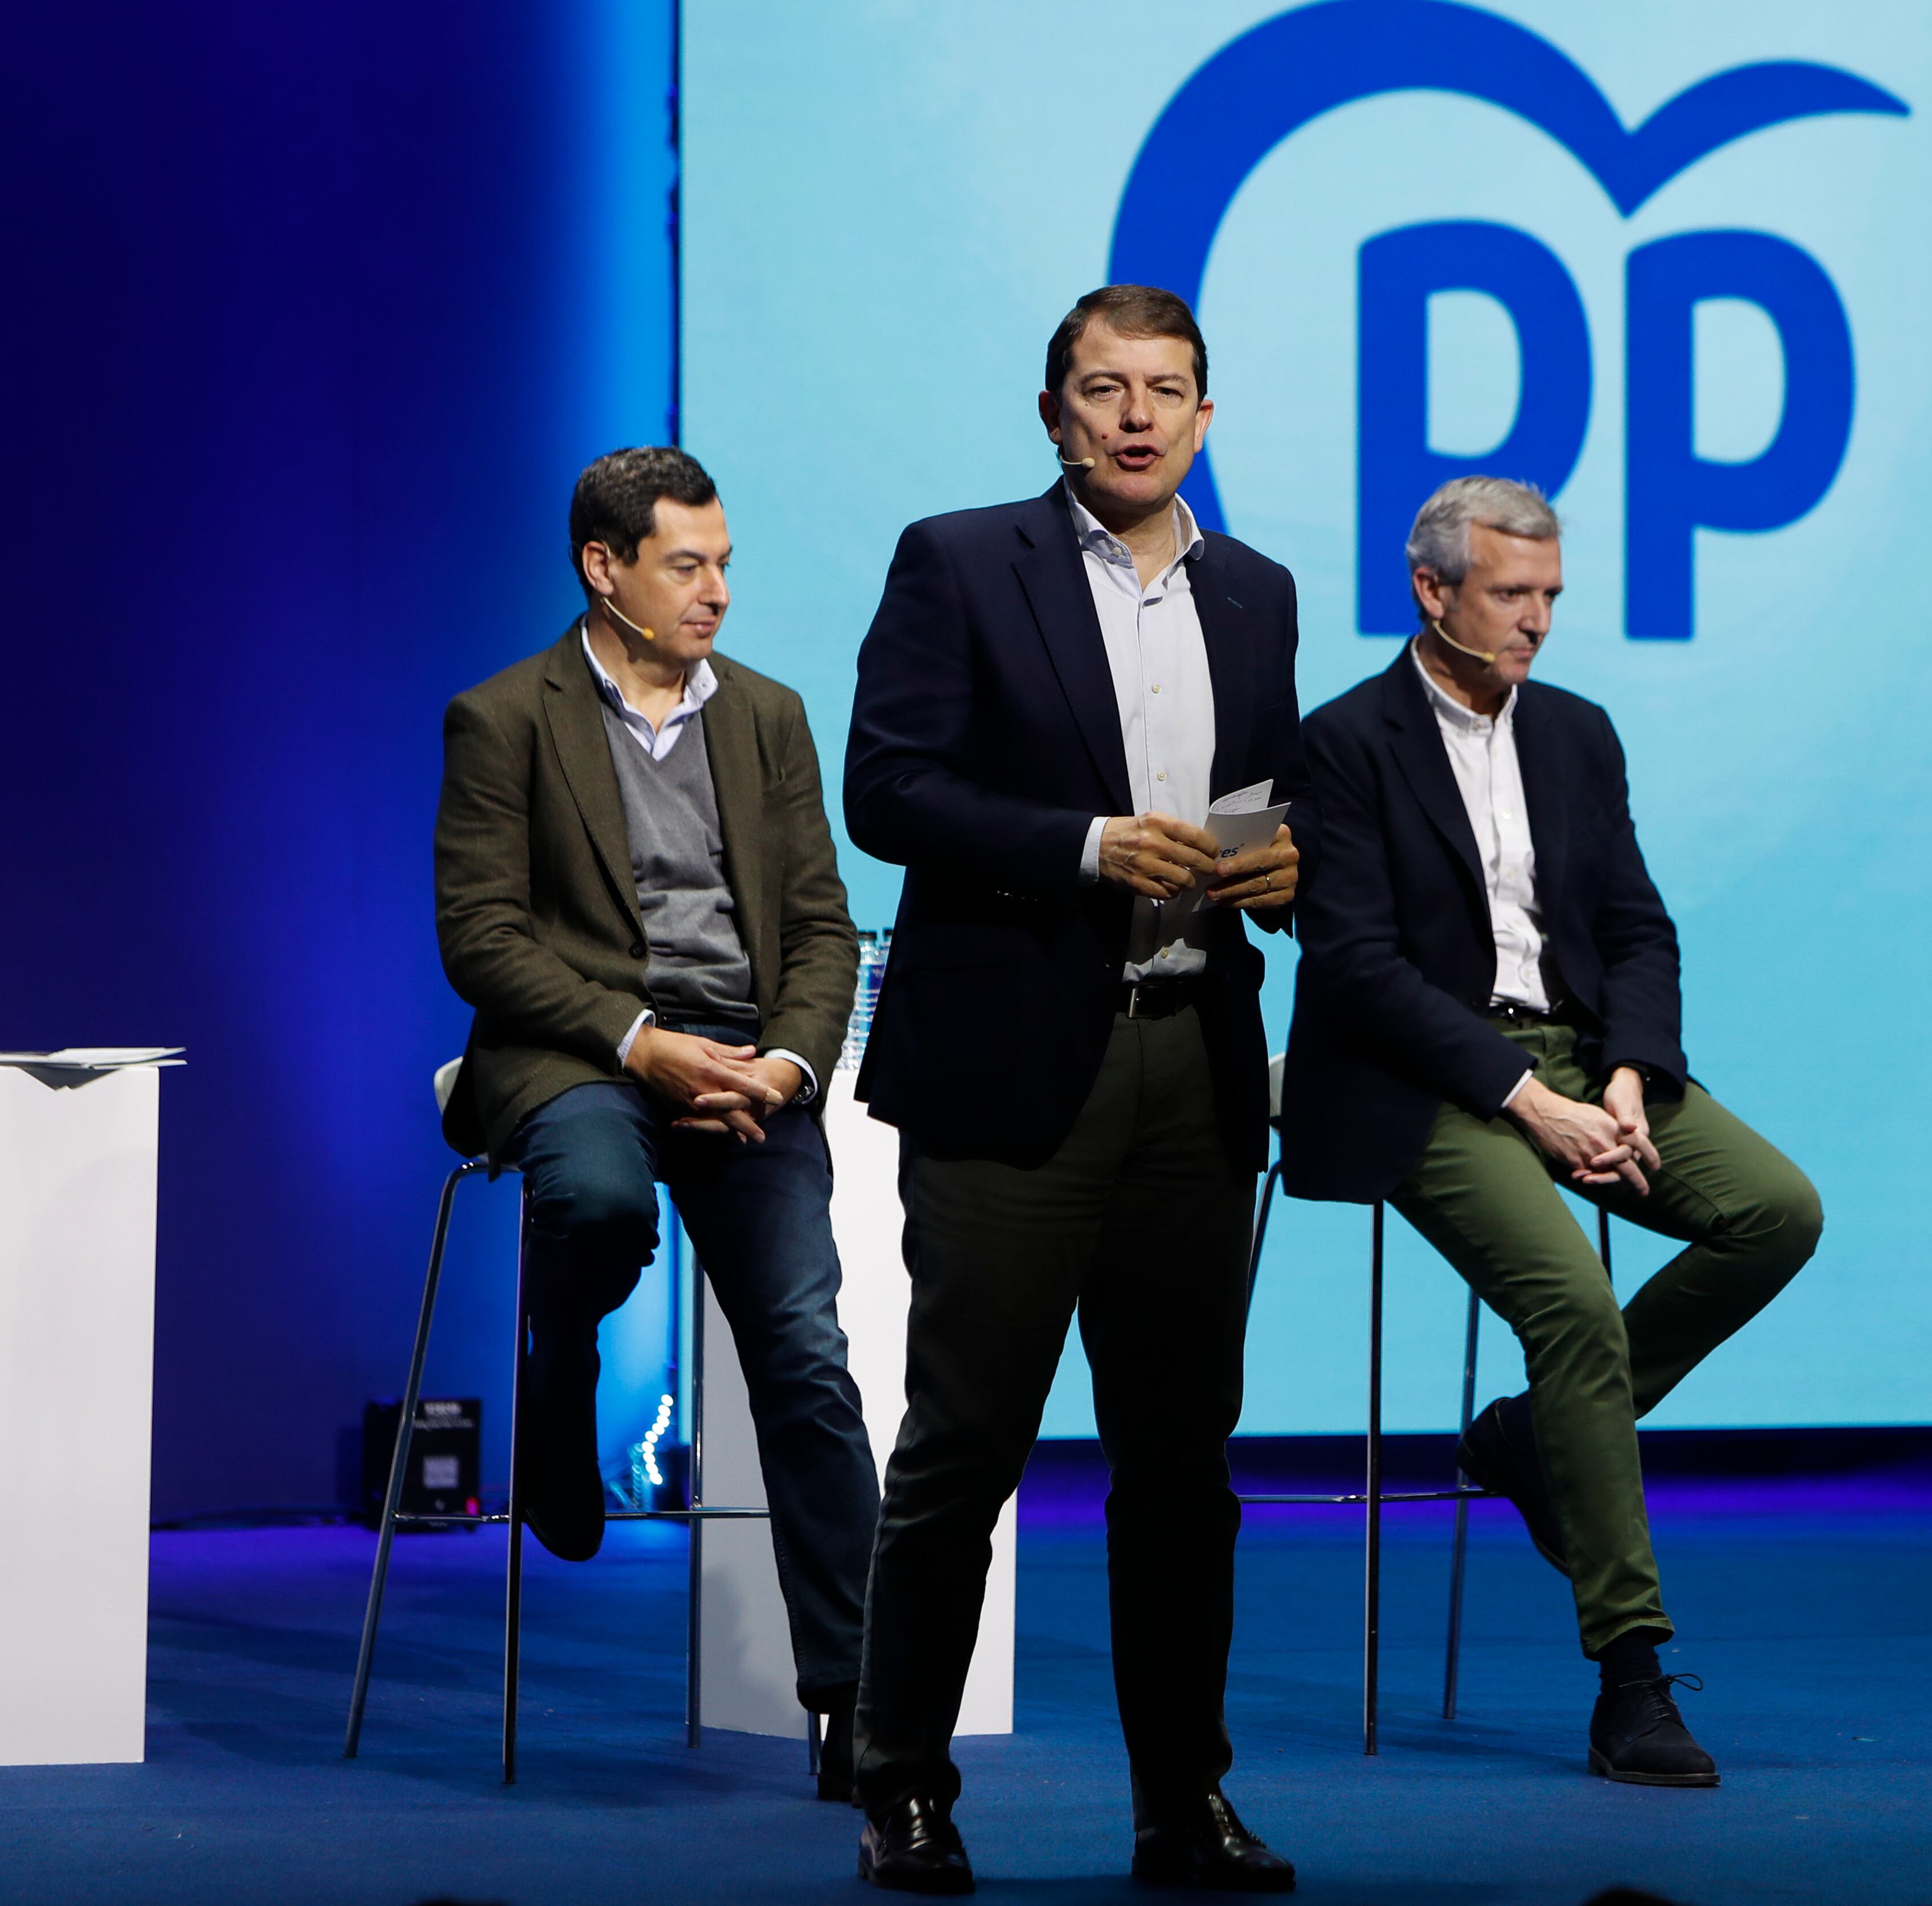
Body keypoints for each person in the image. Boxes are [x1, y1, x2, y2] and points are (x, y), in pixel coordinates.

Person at [840, 286, 1303, 1895]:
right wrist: (1086, 845)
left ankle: (1186, 1800)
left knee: (1183, 1462)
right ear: (1055, 413)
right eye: (1104, 390)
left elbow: (1256, 806)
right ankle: (901, 1782)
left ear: (1205, 417)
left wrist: (1280, 866)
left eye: (1167, 390)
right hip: (1012, 1059)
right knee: (966, 1443)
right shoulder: (961, 558)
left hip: (1195, 1056)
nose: (1136, 416)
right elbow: (886, 786)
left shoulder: (1257, 593)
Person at [1280, 476, 1823, 1788]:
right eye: (1510, 596)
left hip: (1582, 1056)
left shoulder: (1577, 732)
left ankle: (1540, 1438)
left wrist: (1629, 1073)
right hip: (1422, 1075)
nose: (1536, 622)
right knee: (1574, 1303)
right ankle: (1629, 1675)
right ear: (1432, 591)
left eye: (1550, 598)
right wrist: (1527, 1102)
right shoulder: (1343, 741)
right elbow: (1353, 965)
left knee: (1777, 1210)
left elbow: (1635, 926)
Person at [435, 445, 881, 1797]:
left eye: (725, 561)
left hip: (746, 1068)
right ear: (605, 567)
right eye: (688, 564)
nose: (719, 592)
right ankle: (560, 1354)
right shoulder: (503, 716)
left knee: (804, 1354)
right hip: (585, 1047)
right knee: (602, 1199)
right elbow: (482, 938)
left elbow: (820, 924)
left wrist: (790, 1066)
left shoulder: (766, 716)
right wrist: (641, 1041)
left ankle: (858, 1700)